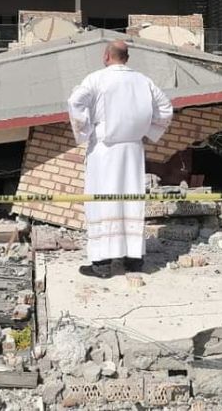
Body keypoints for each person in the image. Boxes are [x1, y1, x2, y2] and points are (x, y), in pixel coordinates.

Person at [67, 40, 173, 278]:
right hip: (133, 149)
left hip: (105, 150)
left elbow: (75, 102)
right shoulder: (143, 81)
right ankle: (133, 259)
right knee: (130, 200)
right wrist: (147, 130)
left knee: (103, 201)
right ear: (127, 57)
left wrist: (85, 129)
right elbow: (166, 109)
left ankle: (103, 264)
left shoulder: (96, 79)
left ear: (107, 56)